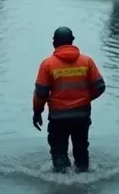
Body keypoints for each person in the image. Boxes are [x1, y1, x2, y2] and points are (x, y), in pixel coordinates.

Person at [32, 27, 106, 173]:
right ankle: (83, 180)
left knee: (59, 152)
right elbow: (100, 87)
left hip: (58, 118)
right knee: (81, 151)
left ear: (54, 43)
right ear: (72, 41)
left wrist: (37, 112)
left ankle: (61, 185)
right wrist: (85, 99)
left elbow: (41, 93)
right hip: (82, 116)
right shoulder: (87, 62)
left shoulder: (48, 64)